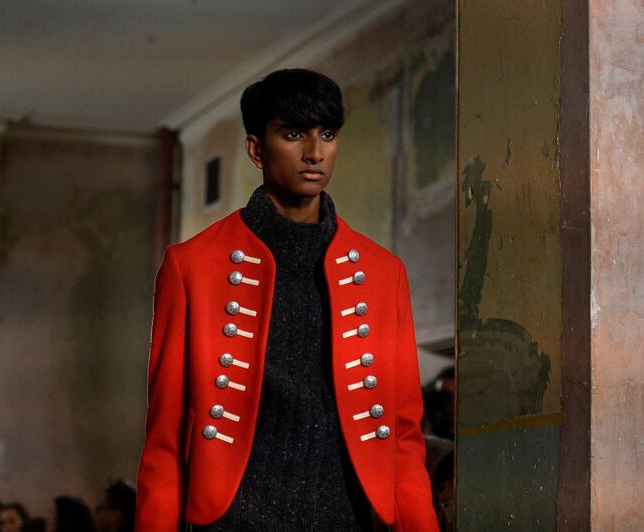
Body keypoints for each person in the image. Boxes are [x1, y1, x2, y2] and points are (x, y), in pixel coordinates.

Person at [136, 68, 437, 531]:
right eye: (293, 134)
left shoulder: (382, 273)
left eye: (328, 134)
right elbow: (165, 437)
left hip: (346, 514)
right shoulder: (191, 266)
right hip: (232, 516)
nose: (315, 152)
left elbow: (403, 435)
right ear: (257, 148)